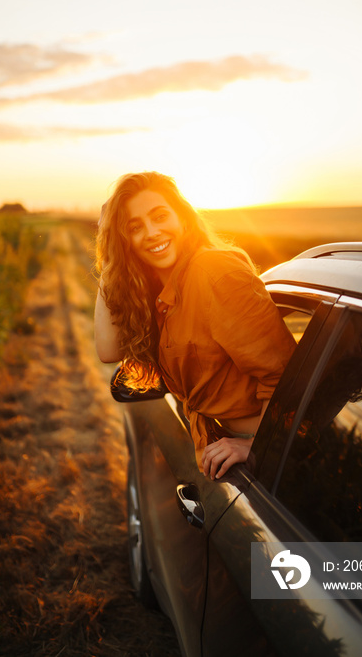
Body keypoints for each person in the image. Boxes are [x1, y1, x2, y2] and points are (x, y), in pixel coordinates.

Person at [95, 172, 296, 480]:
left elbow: (284, 376)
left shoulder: (213, 271)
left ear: (184, 220)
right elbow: (109, 350)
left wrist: (259, 446)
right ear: (127, 243)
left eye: (160, 216)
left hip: (270, 453)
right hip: (225, 447)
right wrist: (112, 257)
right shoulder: (165, 294)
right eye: (135, 228)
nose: (151, 232)